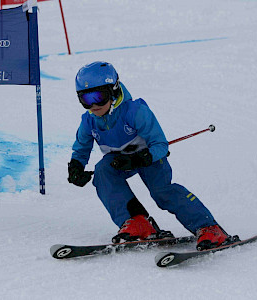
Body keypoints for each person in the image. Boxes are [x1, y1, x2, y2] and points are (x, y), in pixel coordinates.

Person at [67, 61, 232, 250]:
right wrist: (76, 166)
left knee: (162, 192)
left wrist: (141, 158)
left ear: (113, 91)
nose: (94, 105)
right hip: (120, 161)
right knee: (103, 171)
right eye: (86, 99)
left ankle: (209, 227)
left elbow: (160, 145)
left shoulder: (135, 111)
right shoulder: (89, 120)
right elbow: (81, 148)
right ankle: (137, 223)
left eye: (99, 96)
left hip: (149, 158)